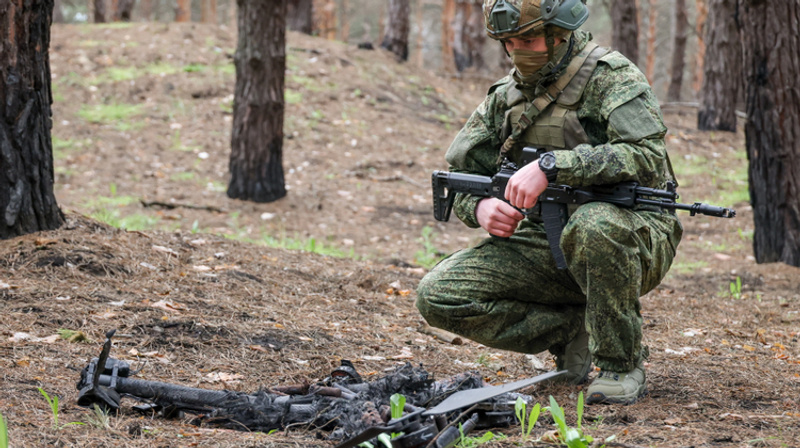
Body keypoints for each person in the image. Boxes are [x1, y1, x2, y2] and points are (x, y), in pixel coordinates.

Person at [416, 0, 683, 404]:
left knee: (594, 225)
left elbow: (645, 156)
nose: (517, 50)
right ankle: (570, 331)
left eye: (528, 38)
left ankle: (620, 363)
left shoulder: (610, 78)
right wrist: (481, 209)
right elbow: (464, 175)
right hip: (548, 239)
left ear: (561, 34)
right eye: (508, 42)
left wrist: (555, 166)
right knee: (439, 295)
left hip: (634, 233)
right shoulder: (507, 98)